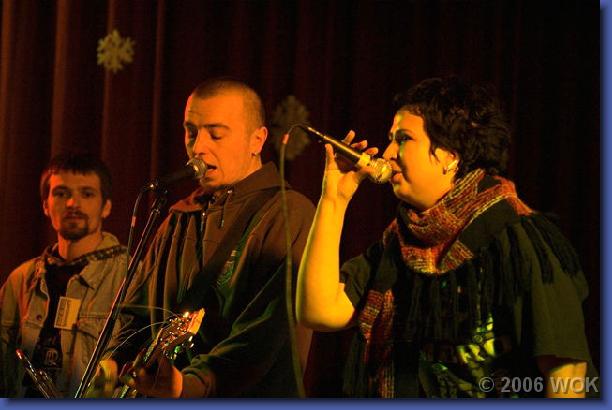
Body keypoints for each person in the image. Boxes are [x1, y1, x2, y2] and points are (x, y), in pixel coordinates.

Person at [296, 76, 598, 398]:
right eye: (390, 139)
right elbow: (319, 311)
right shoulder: (400, 243)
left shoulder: (518, 238)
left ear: (449, 155)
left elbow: (567, 374)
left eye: (403, 139)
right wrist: (334, 199)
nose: (387, 153)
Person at [98, 78, 315, 398]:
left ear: (256, 140)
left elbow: (266, 333)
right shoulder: (179, 217)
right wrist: (113, 363)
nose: (198, 147)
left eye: (216, 134)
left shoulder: (288, 213)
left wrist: (189, 385)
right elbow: (138, 314)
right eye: (191, 132)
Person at [0, 153, 127, 398]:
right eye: (61, 193)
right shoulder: (21, 279)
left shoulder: (130, 276)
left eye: (86, 194)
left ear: (107, 207)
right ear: (45, 205)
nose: (72, 203)